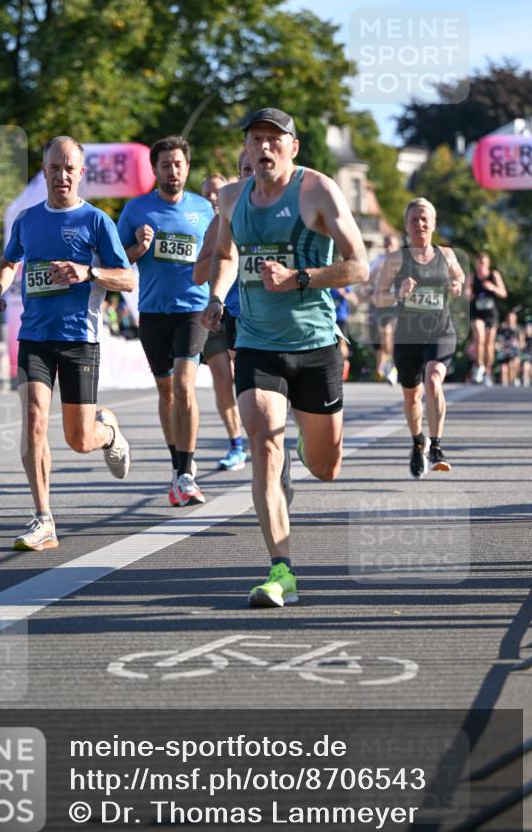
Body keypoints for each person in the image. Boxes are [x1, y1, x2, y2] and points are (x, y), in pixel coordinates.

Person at [203, 107, 368, 608]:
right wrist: (216, 296)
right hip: (257, 344)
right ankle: (282, 570)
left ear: (292, 147)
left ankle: (305, 443)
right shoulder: (232, 199)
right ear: (247, 151)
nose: (265, 147)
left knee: (326, 467)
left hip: (315, 344)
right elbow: (227, 257)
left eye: (275, 139)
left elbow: (358, 265)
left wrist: (300, 278)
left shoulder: (316, 191)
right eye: (256, 140)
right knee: (262, 443)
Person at [0, 135, 134, 551]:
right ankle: (43, 519)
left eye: (69, 168)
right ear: (44, 170)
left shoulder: (97, 222)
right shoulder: (28, 220)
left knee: (79, 440)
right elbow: (9, 261)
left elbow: (128, 278)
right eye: (54, 167)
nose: (61, 175)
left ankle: (108, 431)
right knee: (33, 421)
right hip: (34, 336)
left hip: (79, 339)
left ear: (81, 173)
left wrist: (89, 273)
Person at [117, 135, 214, 506]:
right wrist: (138, 248)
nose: (172, 170)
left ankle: (187, 472)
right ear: (155, 170)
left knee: (185, 386)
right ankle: (177, 467)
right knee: (166, 391)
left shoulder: (205, 210)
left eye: (178, 164)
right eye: (165, 165)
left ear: (187, 167)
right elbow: (116, 261)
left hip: (193, 308)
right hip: (154, 310)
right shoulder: (136, 210)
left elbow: (221, 255)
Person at [375, 198, 464, 478]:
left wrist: (457, 284)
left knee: (433, 377)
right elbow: (378, 297)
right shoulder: (395, 259)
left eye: (425, 219)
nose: (420, 224)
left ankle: (436, 446)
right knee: (412, 396)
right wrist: (398, 293)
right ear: (406, 225)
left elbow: (460, 278)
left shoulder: (447, 255)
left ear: (434, 224)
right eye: (414, 219)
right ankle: (417, 442)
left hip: (440, 331)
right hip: (408, 337)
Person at [193, 153, 252, 472]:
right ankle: (236, 444)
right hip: (212, 308)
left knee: (251, 380)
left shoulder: (255, 212)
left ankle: (264, 432)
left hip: (251, 310)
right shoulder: (204, 223)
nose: (213, 198)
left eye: (218, 191)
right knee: (221, 376)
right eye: (207, 194)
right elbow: (197, 274)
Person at [466, 251, 507, 385]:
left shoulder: (494, 275)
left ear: (488, 264)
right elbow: (466, 292)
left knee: (489, 344)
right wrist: (468, 294)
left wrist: (493, 288)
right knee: (479, 336)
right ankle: (479, 366)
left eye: (483, 264)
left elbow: (503, 293)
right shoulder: (472, 277)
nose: (481, 267)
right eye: (479, 264)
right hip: (477, 313)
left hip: (491, 314)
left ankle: (487, 371)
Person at [366, 235, 399, 383]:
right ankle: (388, 364)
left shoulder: (401, 262)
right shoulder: (378, 261)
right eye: (386, 245)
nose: (388, 247)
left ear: (397, 246)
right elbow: (366, 281)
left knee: (389, 333)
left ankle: (390, 365)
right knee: (383, 336)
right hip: (380, 303)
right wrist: (375, 273)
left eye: (391, 244)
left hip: (395, 303)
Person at [330, 286, 358, 381]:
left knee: (342, 344)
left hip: (341, 319)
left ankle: (344, 365)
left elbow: (355, 300)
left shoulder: (343, 284)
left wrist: (344, 294)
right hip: (328, 319)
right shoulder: (326, 283)